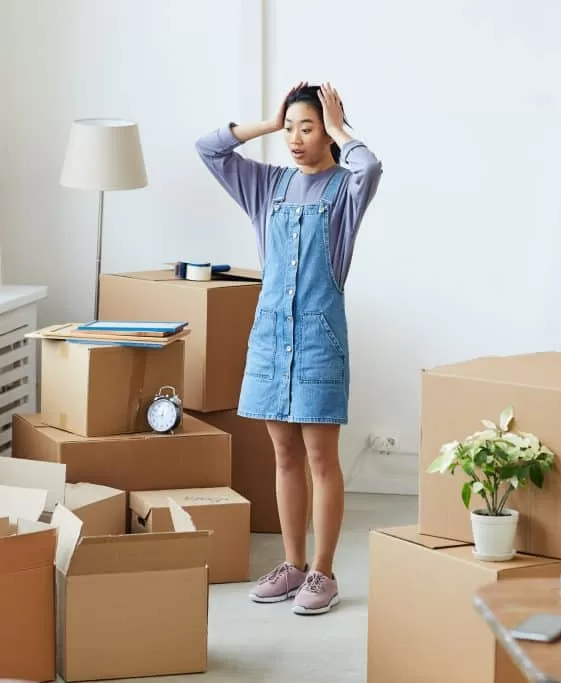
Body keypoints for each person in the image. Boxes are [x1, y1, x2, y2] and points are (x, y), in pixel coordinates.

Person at [195, 82, 383, 615]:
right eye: (292, 129)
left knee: (322, 459)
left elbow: (370, 168)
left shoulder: (346, 190)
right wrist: (268, 123)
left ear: (329, 133)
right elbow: (208, 148)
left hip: (321, 343)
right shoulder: (267, 187)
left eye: (309, 128)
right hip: (271, 343)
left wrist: (344, 127)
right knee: (284, 456)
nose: (297, 140)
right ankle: (293, 565)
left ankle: (323, 572)